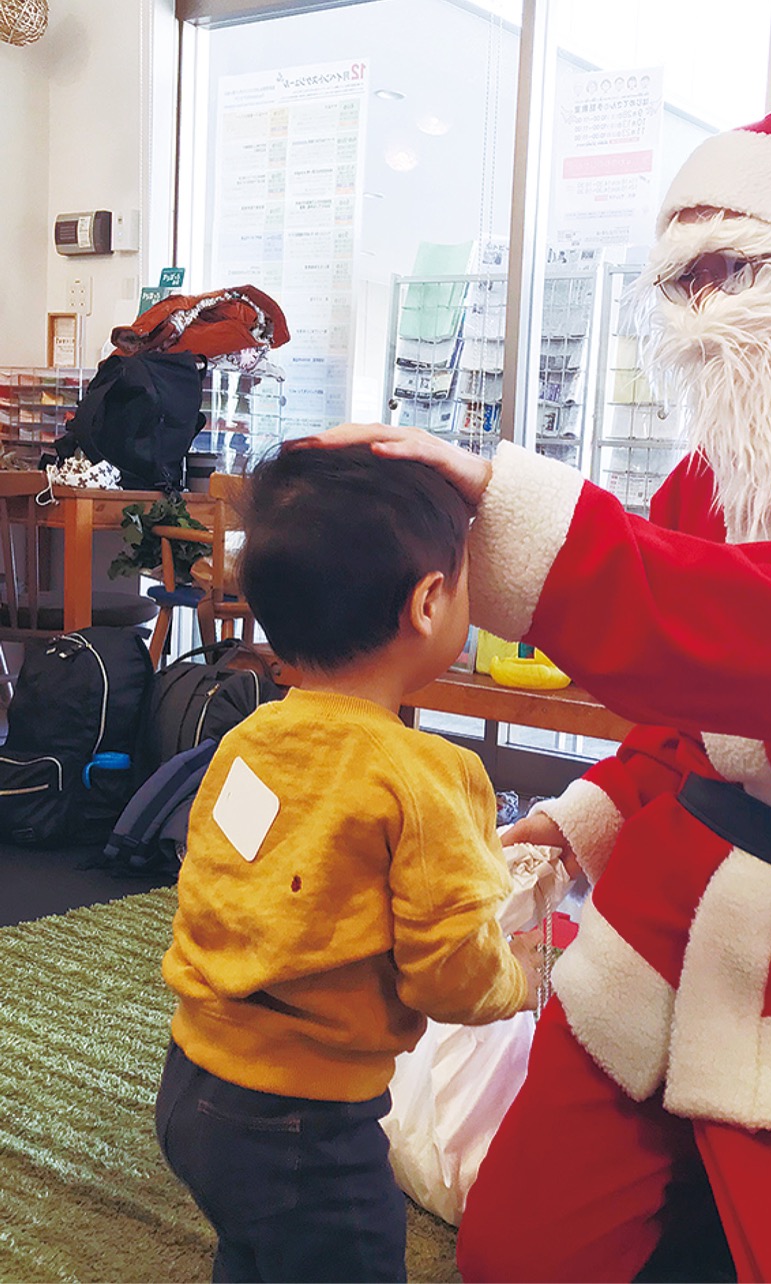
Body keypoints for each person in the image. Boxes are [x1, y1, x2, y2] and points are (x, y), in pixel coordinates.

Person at [313, 104, 771, 1283]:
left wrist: (513, 519)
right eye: (685, 279)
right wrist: (574, 824)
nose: (706, 309)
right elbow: (692, 721)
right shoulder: (713, 477)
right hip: (673, 908)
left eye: (740, 269)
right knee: (523, 1254)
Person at [154, 444, 542, 1284]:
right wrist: (517, 974)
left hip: (193, 1082)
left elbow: (219, 874)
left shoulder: (249, 737)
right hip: (308, 1128)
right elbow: (448, 975)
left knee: (251, 1252)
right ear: (430, 602)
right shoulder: (429, 776)